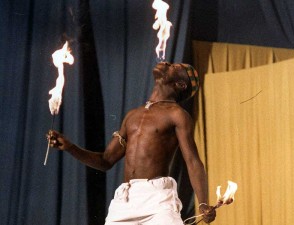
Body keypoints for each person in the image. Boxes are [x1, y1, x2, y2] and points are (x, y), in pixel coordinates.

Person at [47, 62, 216, 224]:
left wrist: (202, 203)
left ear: (180, 84)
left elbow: (193, 161)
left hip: (157, 199)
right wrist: (70, 147)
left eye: (173, 67)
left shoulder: (177, 115)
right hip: (125, 200)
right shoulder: (132, 115)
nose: (165, 63)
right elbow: (106, 161)